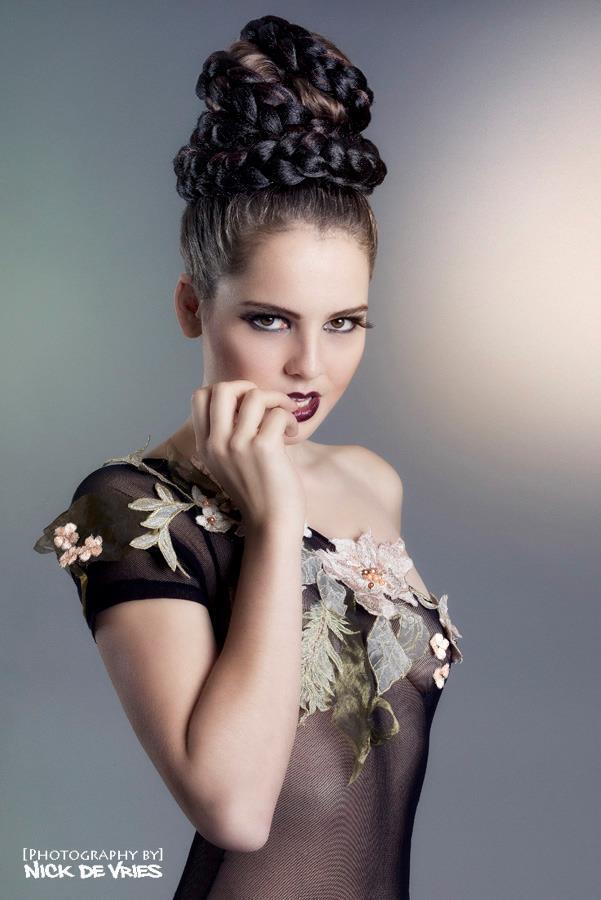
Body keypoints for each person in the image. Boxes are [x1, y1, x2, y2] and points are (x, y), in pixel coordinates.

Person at [34, 14, 463, 899]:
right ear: (193, 306)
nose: (309, 366)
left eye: (343, 323)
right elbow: (232, 810)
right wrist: (271, 525)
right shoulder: (126, 507)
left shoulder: (368, 480)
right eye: (269, 320)